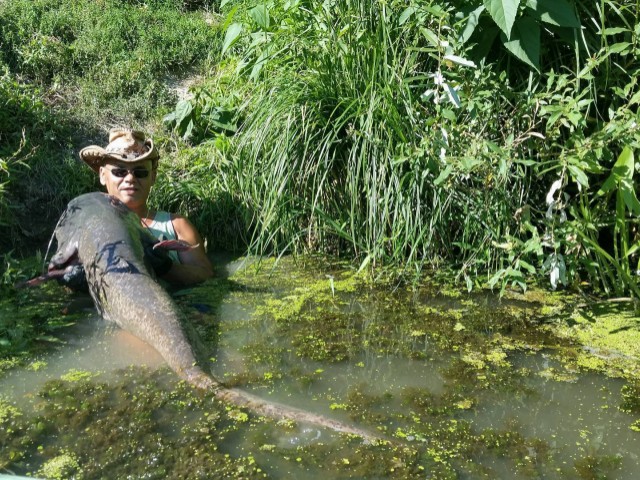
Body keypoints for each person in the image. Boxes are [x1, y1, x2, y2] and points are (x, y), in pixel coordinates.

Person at [74, 127, 214, 286]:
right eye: (120, 172)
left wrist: (166, 268)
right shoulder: (88, 229)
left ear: (153, 177)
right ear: (102, 175)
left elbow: (207, 276)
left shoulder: (176, 225)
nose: (130, 179)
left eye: (140, 172)